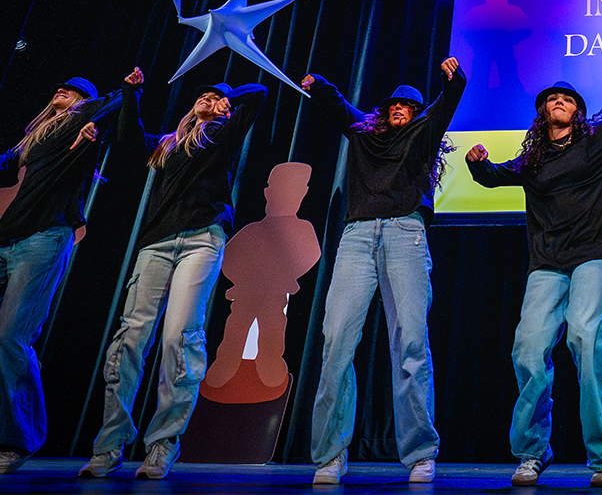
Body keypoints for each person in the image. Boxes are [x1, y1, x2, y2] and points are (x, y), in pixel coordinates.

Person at [465, 81, 602, 488]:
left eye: (567, 98)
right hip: (548, 262)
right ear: (542, 111)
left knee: (586, 337)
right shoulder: (533, 159)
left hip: (596, 253)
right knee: (528, 347)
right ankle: (532, 451)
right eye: (551, 98)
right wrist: (476, 163)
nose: (559, 101)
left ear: (577, 110)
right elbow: (493, 177)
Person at [79, 68, 266, 480]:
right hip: (157, 244)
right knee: (130, 338)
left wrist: (225, 100)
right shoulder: (167, 145)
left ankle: (163, 443)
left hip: (202, 240)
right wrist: (131, 93)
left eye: (216, 98)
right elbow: (129, 139)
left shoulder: (221, 137)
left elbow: (260, 93)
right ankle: (109, 446)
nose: (207, 98)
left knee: (179, 337)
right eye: (203, 95)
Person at [301, 57, 465, 486]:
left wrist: (454, 79)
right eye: (392, 104)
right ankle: (331, 455)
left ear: (415, 114)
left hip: (405, 233)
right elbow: (338, 106)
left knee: (410, 341)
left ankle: (420, 453)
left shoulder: (422, 135)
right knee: (336, 339)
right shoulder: (364, 133)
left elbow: (445, 105)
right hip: (356, 236)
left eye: (406, 106)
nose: (398, 109)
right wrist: (319, 83)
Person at [0, 75, 127, 474]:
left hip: (44, 238)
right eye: (58, 87)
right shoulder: (33, 141)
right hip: (8, 238)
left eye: (70, 91)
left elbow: (114, 102)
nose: (60, 90)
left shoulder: (80, 126)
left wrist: (125, 91)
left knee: (11, 337)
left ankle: (18, 440)